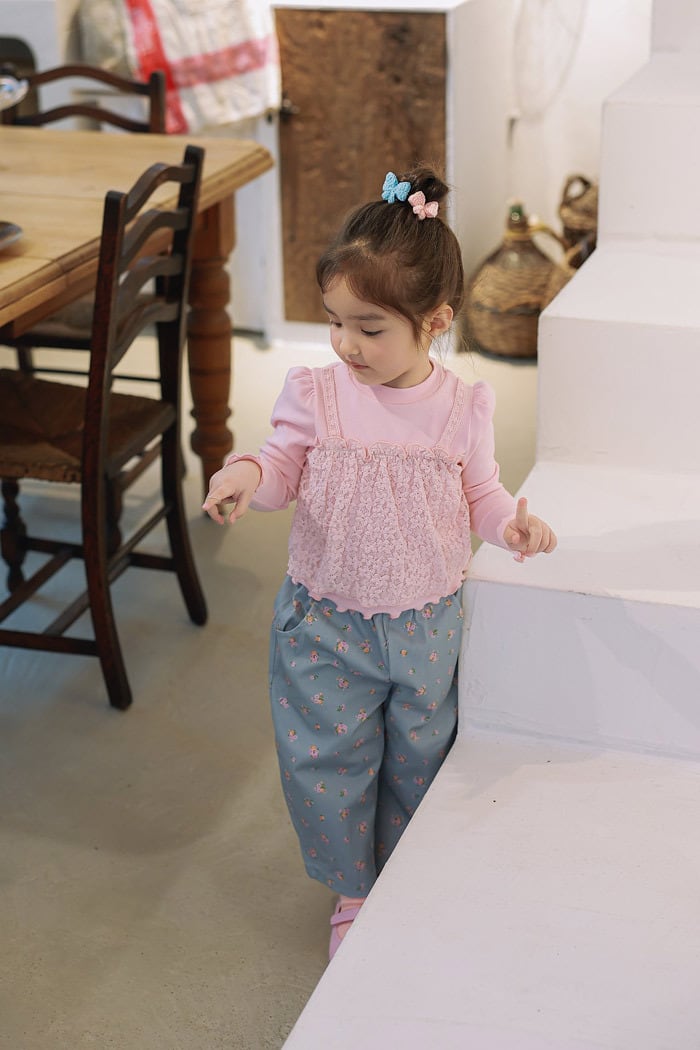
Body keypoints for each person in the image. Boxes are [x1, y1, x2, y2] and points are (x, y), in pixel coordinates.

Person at [202, 167, 557, 961]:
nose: (346, 345)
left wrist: (511, 527)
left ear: (435, 321)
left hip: (426, 623)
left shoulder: (463, 408)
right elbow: (281, 465)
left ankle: (404, 873)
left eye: (369, 328)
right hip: (325, 622)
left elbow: (481, 494)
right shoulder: (317, 394)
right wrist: (246, 476)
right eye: (336, 322)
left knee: (420, 759)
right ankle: (354, 889)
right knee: (326, 760)